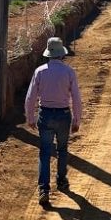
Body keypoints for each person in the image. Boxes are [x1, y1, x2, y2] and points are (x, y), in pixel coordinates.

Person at [25, 37, 82, 206]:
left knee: (44, 152)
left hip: (46, 115)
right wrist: (77, 120)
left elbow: (30, 97)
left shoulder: (40, 71)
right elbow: (76, 98)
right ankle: (62, 181)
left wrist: (30, 117)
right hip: (64, 115)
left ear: (48, 54)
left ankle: (43, 189)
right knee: (62, 150)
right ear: (62, 54)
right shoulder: (69, 72)